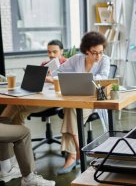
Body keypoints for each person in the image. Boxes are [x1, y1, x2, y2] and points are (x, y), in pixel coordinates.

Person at [50, 31, 110, 174]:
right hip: (75, 100)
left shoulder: (104, 60)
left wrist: (82, 77)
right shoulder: (77, 59)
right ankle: (78, 150)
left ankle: (74, 153)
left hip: (93, 103)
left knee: (69, 111)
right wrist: (65, 77)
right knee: (70, 109)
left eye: (101, 52)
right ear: (86, 51)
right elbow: (56, 72)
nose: (98, 56)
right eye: (94, 53)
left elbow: (103, 78)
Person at [0, 39, 67, 125]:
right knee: (19, 114)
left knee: (16, 104)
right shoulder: (44, 64)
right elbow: (37, 85)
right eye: (49, 52)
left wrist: (50, 80)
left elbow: (67, 84)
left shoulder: (67, 64)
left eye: (55, 52)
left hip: (54, 100)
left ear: (61, 51)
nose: (51, 55)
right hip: (40, 96)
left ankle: (2, 129)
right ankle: (17, 137)